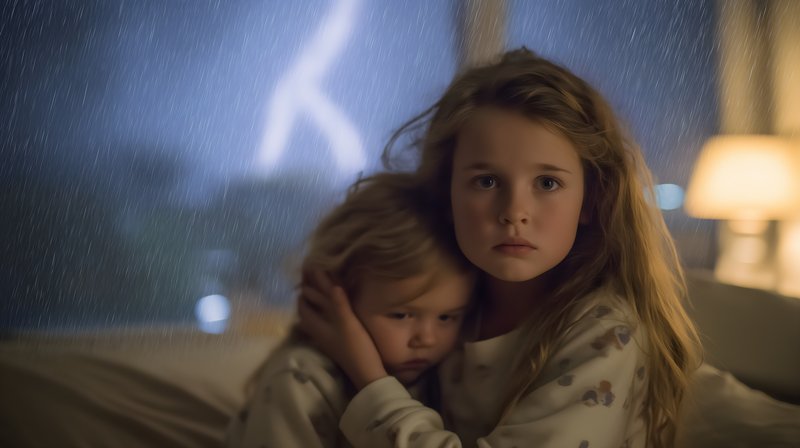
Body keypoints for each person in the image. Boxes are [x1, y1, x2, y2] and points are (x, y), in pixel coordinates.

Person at [297, 48, 702, 448]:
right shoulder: (448, 309)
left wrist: (367, 374)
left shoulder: (606, 334)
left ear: (591, 200)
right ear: (448, 194)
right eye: (487, 182)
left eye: (547, 183)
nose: (513, 213)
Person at [226, 172, 475, 448]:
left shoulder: (445, 375)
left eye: (446, 317)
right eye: (401, 315)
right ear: (335, 299)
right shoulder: (301, 380)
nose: (427, 338)